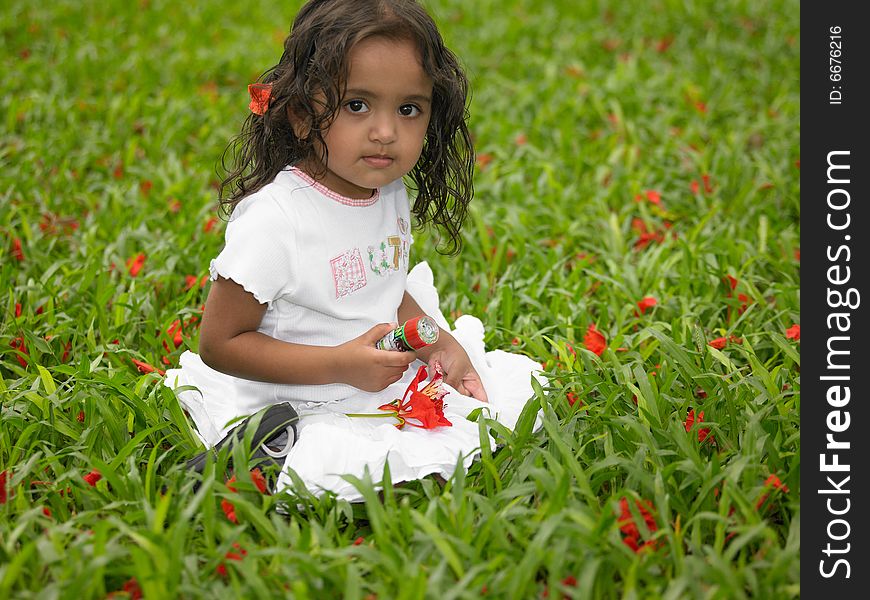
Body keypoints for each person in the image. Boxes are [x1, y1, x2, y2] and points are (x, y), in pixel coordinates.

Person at [165, 0, 541, 501]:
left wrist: (436, 340)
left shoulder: (387, 190)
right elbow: (220, 343)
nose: (386, 132)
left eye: (408, 109)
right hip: (296, 403)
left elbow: (383, 286)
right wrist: (340, 364)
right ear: (301, 116)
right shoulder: (278, 219)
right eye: (356, 105)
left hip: (375, 384)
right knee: (343, 471)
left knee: (484, 419)